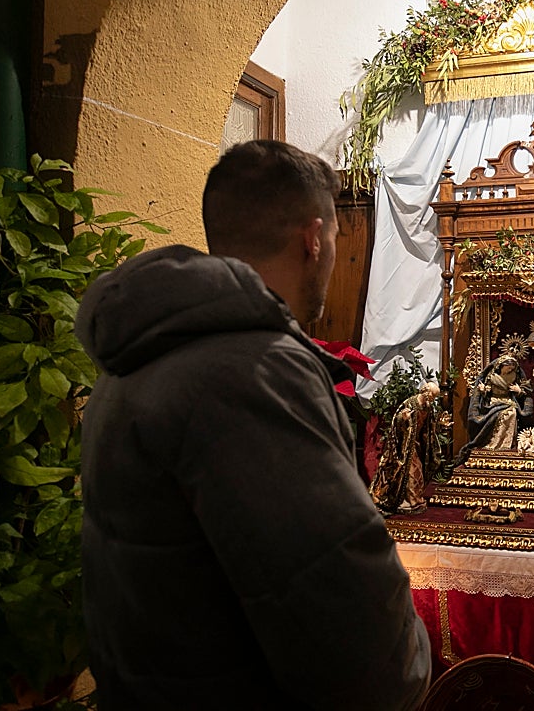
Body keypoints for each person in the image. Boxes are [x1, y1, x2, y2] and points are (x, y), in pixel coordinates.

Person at [75, 140, 430, 710]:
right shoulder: (256, 373)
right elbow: (349, 629)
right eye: (336, 239)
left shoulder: (139, 356)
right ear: (313, 240)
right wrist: (411, 663)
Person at [370, 381, 444, 514]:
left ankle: (414, 500)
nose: (433, 399)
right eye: (433, 395)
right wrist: (403, 419)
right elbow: (397, 420)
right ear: (426, 392)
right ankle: (407, 501)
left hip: (418, 444)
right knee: (410, 473)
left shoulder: (427, 406)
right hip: (405, 445)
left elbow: (429, 426)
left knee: (418, 472)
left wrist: (440, 426)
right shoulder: (410, 403)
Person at [453, 354, 534, 465]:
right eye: (508, 367)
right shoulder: (492, 377)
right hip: (494, 402)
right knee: (498, 414)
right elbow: (487, 393)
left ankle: (506, 443)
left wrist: (518, 390)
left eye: (512, 367)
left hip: (508, 401)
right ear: (501, 366)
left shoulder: (514, 377)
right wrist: (483, 390)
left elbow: (523, 393)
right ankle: (494, 442)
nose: (510, 369)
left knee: (512, 412)